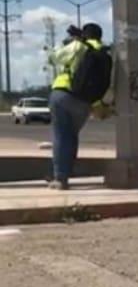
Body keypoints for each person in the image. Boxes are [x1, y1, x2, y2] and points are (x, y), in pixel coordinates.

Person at [46, 23, 108, 190]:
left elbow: (53, 58)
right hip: (86, 102)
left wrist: (68, 42)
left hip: (64, 94)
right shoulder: (103, 51)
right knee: (71, 136)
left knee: (61, 136)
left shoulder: (78, 45)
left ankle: (60, 178)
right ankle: (65, 172)